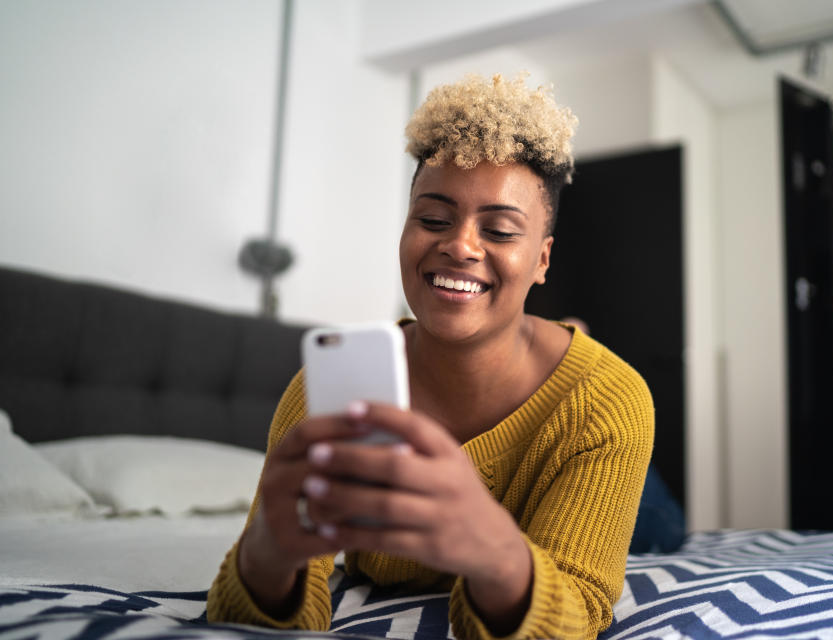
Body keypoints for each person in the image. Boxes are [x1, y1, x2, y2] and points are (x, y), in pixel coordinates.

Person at [207, 73, 654, 639]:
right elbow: (269, 608)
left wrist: (494, 548)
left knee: (658, 526)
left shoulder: (609, 403)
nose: (460, 245)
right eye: (434, 220)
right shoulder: (330, 392)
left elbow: (580, 612)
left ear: (542, 261)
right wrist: (266, 556)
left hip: (603, 455)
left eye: (498, 229)